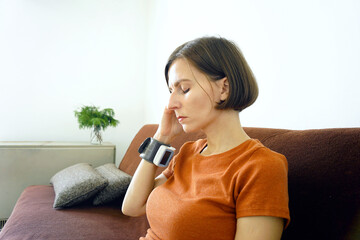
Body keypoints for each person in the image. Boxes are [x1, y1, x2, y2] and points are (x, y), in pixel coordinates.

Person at [122, 36, 290, 240]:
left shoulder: (260, 166)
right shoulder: (188, 153)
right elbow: (132, 206)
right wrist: (162, 137)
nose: (171, 103)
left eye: (184, 89)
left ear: (224, 88)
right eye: (170, 91)